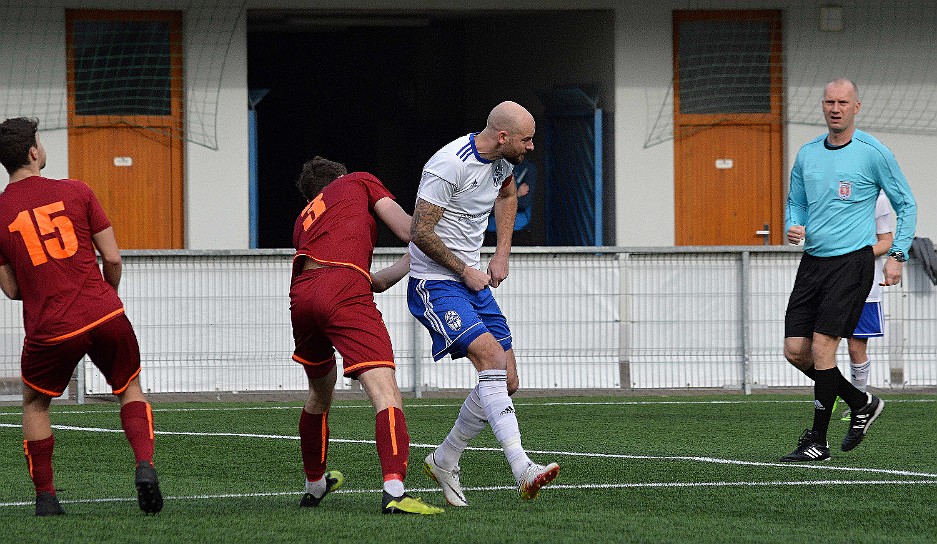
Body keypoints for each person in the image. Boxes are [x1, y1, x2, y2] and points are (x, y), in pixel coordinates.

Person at [0, 117, 162, 515]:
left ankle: (46, 498)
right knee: (129, 388)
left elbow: (12, 289)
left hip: (50, 328)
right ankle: (145, 465)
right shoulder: (77, 190)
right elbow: (113, 257)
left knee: (35, 405)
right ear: (34, 152)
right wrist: (107, 297)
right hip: (103, 312)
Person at [408, 101, 559, 506]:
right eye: (526, 139)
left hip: (472, 280)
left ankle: (445, 459)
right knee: (491, 359)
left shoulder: (502, 163)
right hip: (436, 282)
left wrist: (500, 253)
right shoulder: (447, 165)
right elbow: (419, 232)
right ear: (504, 136)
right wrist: (464, 268)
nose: (531, 147)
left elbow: (507, 195)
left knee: (508, 380)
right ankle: (522, 467)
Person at [289, 156, 442, 515]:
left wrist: (414, 261)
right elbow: (409, 229)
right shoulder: (357, 180)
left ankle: (314, 484)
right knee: (385, 391)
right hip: (343, 288)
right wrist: (439, 219)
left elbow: (376, 280)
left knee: (318, 395)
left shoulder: (305, 220)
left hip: (302, 292)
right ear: (339, 177)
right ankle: (394, 491)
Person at [780, 79, 917, 462]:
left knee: (824, 347)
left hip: (851, 263)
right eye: (829, 101)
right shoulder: (807, 154)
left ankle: (817, 441)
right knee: (795, 350)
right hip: (813, 263)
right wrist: (794, 224)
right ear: (822, 106)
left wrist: (898, 254)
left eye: (843, 102)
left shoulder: (873, 153)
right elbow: (795, 202)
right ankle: (861, 401)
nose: (835, 108)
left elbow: (907, 205)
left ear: (857, 107)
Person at [836, 191, 893, 420]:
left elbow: (886, 241)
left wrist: (858, 256)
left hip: (865, 284)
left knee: (855, 347)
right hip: (830, 280)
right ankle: (831, 393)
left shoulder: (878, 198)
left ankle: (858, 403)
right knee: (819, 346)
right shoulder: (830, 190)